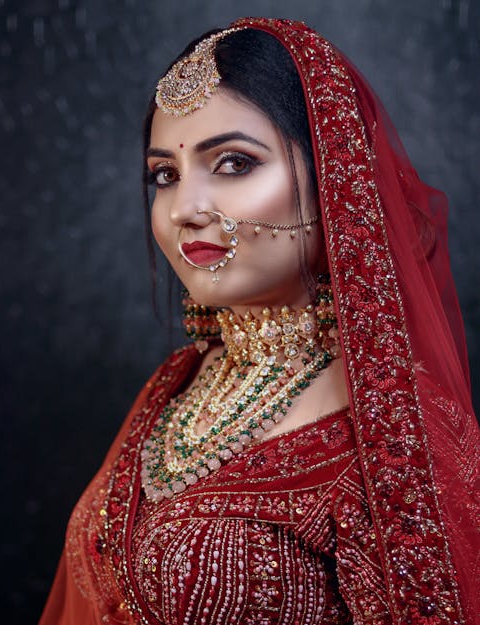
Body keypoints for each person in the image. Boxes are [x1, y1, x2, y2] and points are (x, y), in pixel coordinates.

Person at [39, 17, 479, 625]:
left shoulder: (396, 431)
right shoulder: (177, 383)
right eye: (164, 175)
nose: (186, 210)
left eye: (234, 163)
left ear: (334, 179)